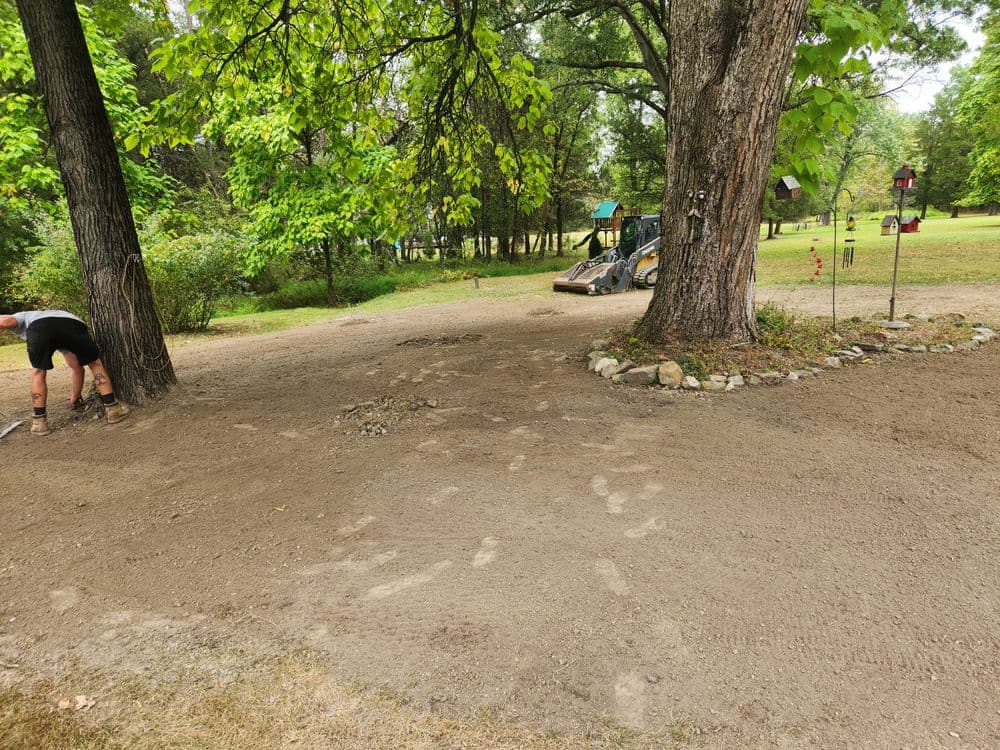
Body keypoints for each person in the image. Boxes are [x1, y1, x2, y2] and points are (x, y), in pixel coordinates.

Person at [0, 310, 130, 436]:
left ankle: (39, 423)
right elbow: (78, 369)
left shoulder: (23, 316)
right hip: (72, 326)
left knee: (38, 371)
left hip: (40, 328)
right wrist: (75, 397)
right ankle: (113, 410)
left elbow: (5, 321)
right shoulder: (56, 316)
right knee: (95, 364)